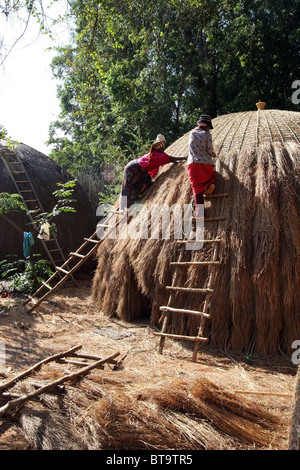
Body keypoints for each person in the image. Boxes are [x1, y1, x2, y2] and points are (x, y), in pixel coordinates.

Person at [120, 134, 186, 209]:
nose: (163, 147)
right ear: (160, 146)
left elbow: (169, 159)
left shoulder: (157, 153)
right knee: (128, 186)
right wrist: (185, 158)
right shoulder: (157, 155)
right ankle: (123, 207)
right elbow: (171, 159)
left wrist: (175, 161)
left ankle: (138, 194)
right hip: (133, 168)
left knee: (146, 180)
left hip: (139, 169)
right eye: (162, 146)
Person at [187, 114, 217, 217]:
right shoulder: (207, 134)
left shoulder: (192, 133)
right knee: (212, 174)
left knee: (197, 190)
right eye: (209, 127)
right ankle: (210, 184)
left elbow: (191, 148)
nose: (209, 129)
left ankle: (200, 213)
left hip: (193, 164)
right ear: (206, 126)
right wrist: (213, 154)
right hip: (206, 163)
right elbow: (209, 150)